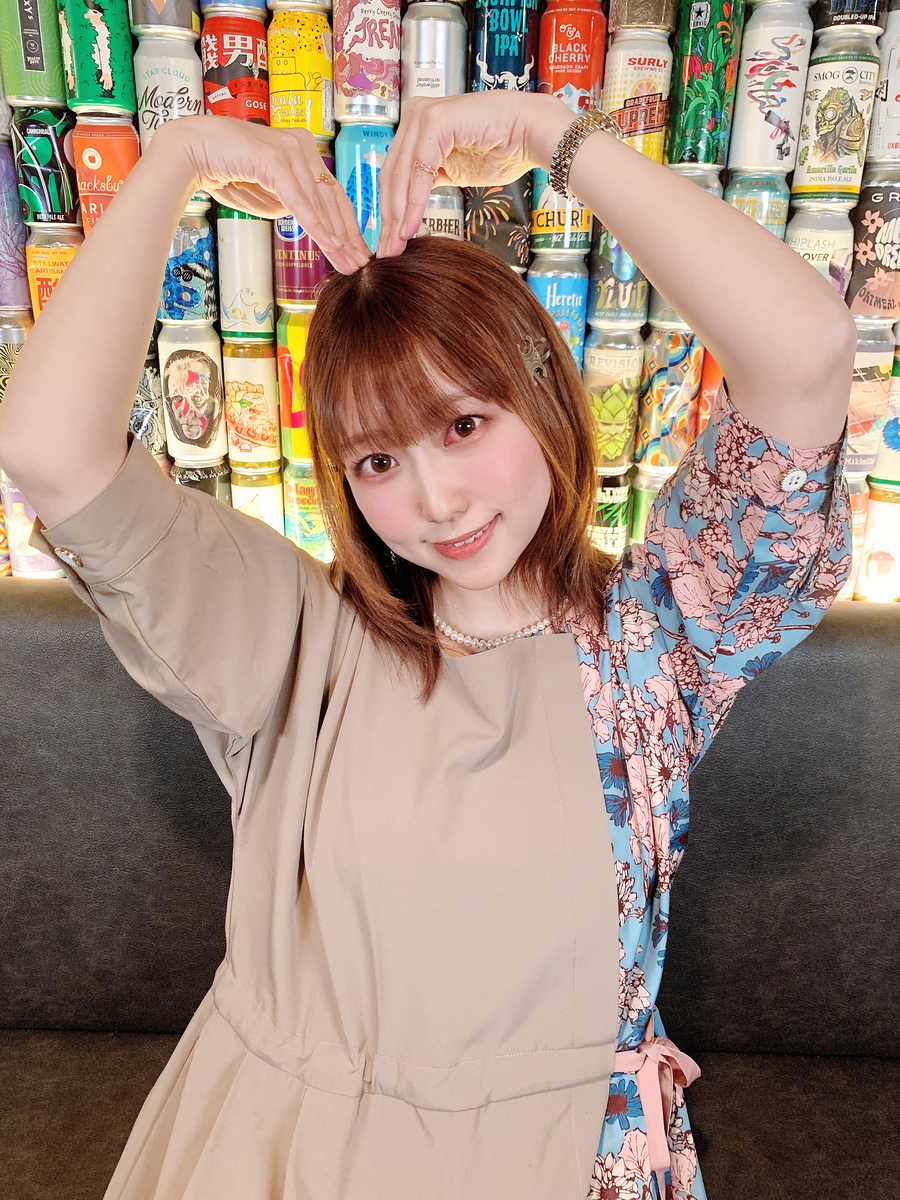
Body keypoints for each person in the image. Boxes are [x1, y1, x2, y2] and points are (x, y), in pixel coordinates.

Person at [0, 90, 854, 1200]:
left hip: (563, 1158)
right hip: (281, 1154)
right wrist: (177, 158)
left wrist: (552, 134)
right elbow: (51, 453)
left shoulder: (657, 639)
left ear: (543, 392)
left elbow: (806, 351)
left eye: (462, 424)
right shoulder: (296, 638)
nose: (436, 499)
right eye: (377, 461)